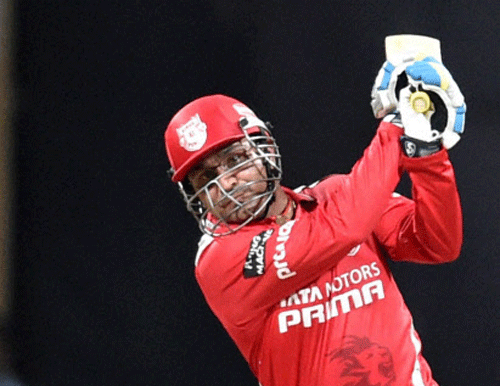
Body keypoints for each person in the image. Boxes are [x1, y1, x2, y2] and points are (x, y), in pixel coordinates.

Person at [163, 56, 466, 386]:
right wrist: (396, 125)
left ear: (263, 149)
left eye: (235, 160)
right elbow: (343, 229)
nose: (227, 183)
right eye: (206, 178)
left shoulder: (338, 195)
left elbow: (438, 243)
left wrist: (427, 155)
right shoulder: (219, 260)